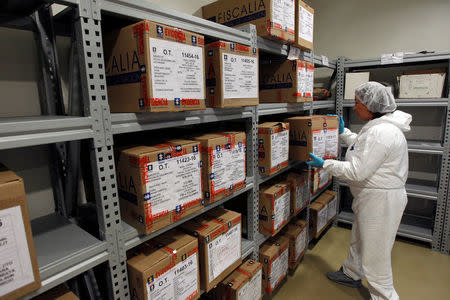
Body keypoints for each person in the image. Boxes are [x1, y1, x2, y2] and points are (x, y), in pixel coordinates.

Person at [307, 81, 412, 300]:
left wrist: (326, 164)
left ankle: (384, 296)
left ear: (371, 105)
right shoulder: (379, 126)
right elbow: (362, 147)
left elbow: (357, 171)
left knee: (376, 253)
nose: (354, 107)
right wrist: (344, 132)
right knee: (360, 239)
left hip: (380, 201)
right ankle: (352, 273)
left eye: (357, 103)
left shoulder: (382, 132)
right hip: (372, 197)